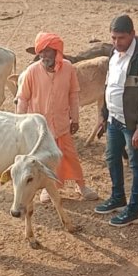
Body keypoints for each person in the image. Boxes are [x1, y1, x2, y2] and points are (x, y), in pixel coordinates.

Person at [16, 32, 97, 202]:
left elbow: (73, 95)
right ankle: (49, 188)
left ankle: (81, 186)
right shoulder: (31, 71)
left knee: (70, 155)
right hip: (40, 127)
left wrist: (75, 119)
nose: (44, 55)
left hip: (61, 123)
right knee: (44, 159)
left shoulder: (68, 68)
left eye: (48, 51)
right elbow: (22, 98)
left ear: (56, 52)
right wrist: (18, 124)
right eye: (41, 52)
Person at [94, 14, 138, 227]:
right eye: (113, 38)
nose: (116, 42)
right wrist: (104, 114)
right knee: (112, 158)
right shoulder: (114, 52)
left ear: (132, 33)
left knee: (136, 164)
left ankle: (135, 209)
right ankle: (118, 197)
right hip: (114, 120)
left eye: (121, 38)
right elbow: (109, 86)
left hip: (132, 124)